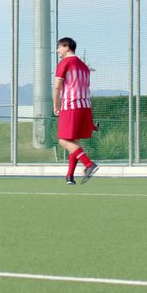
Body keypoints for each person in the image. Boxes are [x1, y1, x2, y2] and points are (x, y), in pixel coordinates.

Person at [53, 37, 99, 185]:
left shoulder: (64, 63)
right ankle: (70, 176)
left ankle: (88, 164)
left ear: (67, 47)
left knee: (63, 140)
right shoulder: (84, 66)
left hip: (71, 106)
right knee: (74, 141)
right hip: (85, 106)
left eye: (59, 47)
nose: (57, 50)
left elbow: (57, 87)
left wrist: (56, 105)